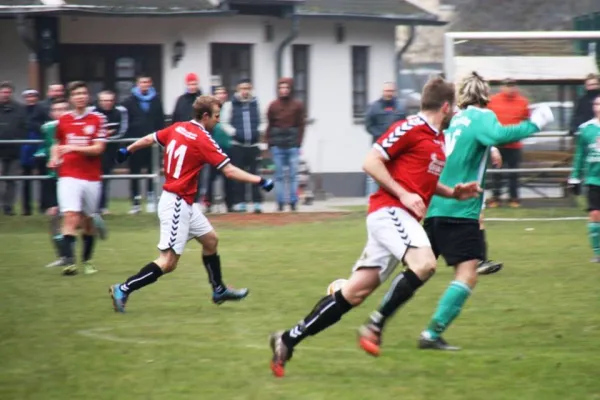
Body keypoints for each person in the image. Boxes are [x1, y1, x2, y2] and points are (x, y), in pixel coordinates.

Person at [269, 77, 482, 377]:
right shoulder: (410, 128)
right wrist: (404, 194)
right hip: (390, 212)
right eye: (455, 109)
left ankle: (288, 339)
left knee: (354, 294)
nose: (456, 114)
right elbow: (370, 162)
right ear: (445, 107)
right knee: (425, 264)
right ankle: (374, 325)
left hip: (400, 219)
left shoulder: (436, 139)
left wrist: (453, 192)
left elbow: (422, 181)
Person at [357, 72, 553, 353]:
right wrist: (535, 123)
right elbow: (499, 133)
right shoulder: (482, 116)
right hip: (462, 210)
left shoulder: (451, 122)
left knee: (418, 269)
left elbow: (469, 146)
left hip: (434, 207)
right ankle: (431, 333)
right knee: (467, 273)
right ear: (484, 95)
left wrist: (491, 148)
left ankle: (377, 321)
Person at [108, 95, 274, 313]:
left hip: (183, 202)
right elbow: (229, 170)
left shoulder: (178, 128)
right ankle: (123, 288)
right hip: (176, 202)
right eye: (216, 116)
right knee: (168, 262)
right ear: (205, 116)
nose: (218, 121)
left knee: (211, 240)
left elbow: (150, 138)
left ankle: (219, 289)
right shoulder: (202, 139)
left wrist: (128, 150)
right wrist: (260, 180)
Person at [50, 81, 107, 276]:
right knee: (71, 216)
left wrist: (73, 148)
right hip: (68, 175)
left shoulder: (98, 119)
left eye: (83, 93)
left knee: (88, 221)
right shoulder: (64, 120)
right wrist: (54, 157)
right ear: (71, 98)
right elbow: (57, 143)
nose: (80, 96)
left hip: (91, 177)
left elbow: (99, 148)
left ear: (88, 96)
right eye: (76, 94)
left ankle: (88, 260)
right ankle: (69, 262)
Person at [220, 78, 267, 213]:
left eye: (247, 88)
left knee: (255, 174)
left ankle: (257, 202)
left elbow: (264, 120)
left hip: (253, 145)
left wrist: (259, 130)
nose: (245, 91)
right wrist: (234, 133)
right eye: (242, 88)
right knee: (239, 175)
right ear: (238, 90)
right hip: (238, 145)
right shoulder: (231, 105)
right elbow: (224, 123)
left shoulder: (257, 104)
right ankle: (240, 202)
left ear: (250, 89)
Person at [34, 97, 70, 267]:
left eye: (63, 108)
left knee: (71, 216)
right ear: (51, 113)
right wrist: (41, 154)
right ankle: (63, 256)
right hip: (52, 177)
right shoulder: (47, 128)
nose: (60, 112)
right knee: (53, 215)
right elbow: (46, 145)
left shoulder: (73, 126)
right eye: (57, 109)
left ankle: (91, 219)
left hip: (70, 177)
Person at [122, 74, 165, 214]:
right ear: (137, 84)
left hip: (152, 142)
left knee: (152, 170)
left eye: (147, 82)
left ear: (150, 83)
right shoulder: (129, 101)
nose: (144, 84)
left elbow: (160, 121)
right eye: (142, 82)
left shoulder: (156, 100)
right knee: (135, 171)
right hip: (135, 142)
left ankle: (151, 198)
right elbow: (125, 123)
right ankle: (135, 201)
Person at [487, 78, 530, 208]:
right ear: (502, 87)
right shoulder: (493, 100)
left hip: (514, 145)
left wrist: (520, 133)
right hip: (498, 144)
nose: (510, 88)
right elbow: (488, 120)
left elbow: (526, 121)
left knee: (514, 173)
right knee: (496, 173)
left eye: (512, 86)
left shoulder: (523, 102)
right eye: (507, 86)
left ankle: (514, 198)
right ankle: (496, 198)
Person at [568, 93, 600, 262]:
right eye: (596, 104)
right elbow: (580, 155)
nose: (598, 107)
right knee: (595, 214)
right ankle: (598, 253)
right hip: (594, 179)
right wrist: (574, 177)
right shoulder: (586, 129)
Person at [266, 77, 305, 212]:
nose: (284, 90)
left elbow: (301, 124)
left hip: (292, 144)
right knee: (279, 175)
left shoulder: (297, 105)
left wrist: (299, 142)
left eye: (286, 88)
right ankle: (280, 202)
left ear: (290, 89)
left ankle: (293, 201)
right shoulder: (273, 106)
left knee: (293, 174)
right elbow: (269, 125)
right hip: (277, 145)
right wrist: (269, 143)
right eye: (281, 88)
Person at [90, 90, 128, 214]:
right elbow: (91, 132)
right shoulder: (93, 112)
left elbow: (122, 131)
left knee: (105, 179)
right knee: (93, 179)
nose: (107, 103)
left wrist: (105, 135)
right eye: (104, 100)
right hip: (94, 151)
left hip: (111, 151)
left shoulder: (119, 112)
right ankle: (92, 207)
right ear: (99, 101)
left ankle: (102, 206)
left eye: (110, 100)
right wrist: (105, 134)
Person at [364, 82, 406, 195]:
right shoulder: (373, 107)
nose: (389, 93)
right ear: (383, 92)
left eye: (391, 91)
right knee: (373, 174)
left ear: (394, 92)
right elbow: (368, 125)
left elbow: (405, 124)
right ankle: (371, 200)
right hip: (378, 146)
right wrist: (381, 136)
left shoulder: (401, 107)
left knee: (395, 174)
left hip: (396, 147)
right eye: (387, 91)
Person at [205, 86, 234, 213]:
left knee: (228, 176)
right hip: (213, 148)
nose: (220, 95)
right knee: (211, 177)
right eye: (218, 93)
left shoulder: (230, 108)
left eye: (223, 93)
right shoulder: (209, 110)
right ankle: (208, 202)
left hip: (228, 146)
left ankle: (230, 203)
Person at [0, 81, 27, 216]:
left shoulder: (19, 109)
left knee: (11, 179)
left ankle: (8, 206)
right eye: (3, 92)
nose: (5, 94)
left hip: (13, 151)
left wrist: (18, 140)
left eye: (8, 92)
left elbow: (24, 127)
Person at [476, 146, 504, 275]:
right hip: (459, 179)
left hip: (473, 182)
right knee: (438, 220)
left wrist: (492, 149)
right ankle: (417, 258)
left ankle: (481, 261)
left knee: (478, 219)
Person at [20, 89, 45, 215]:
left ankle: (43, 207)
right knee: (26, 179)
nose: (30, 98)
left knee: (43, 177)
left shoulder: (42, 110)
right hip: (25, 148)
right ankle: (26, 209)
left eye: (33, 96)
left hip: (39, 146)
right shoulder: (21, 111)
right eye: (28, 96)